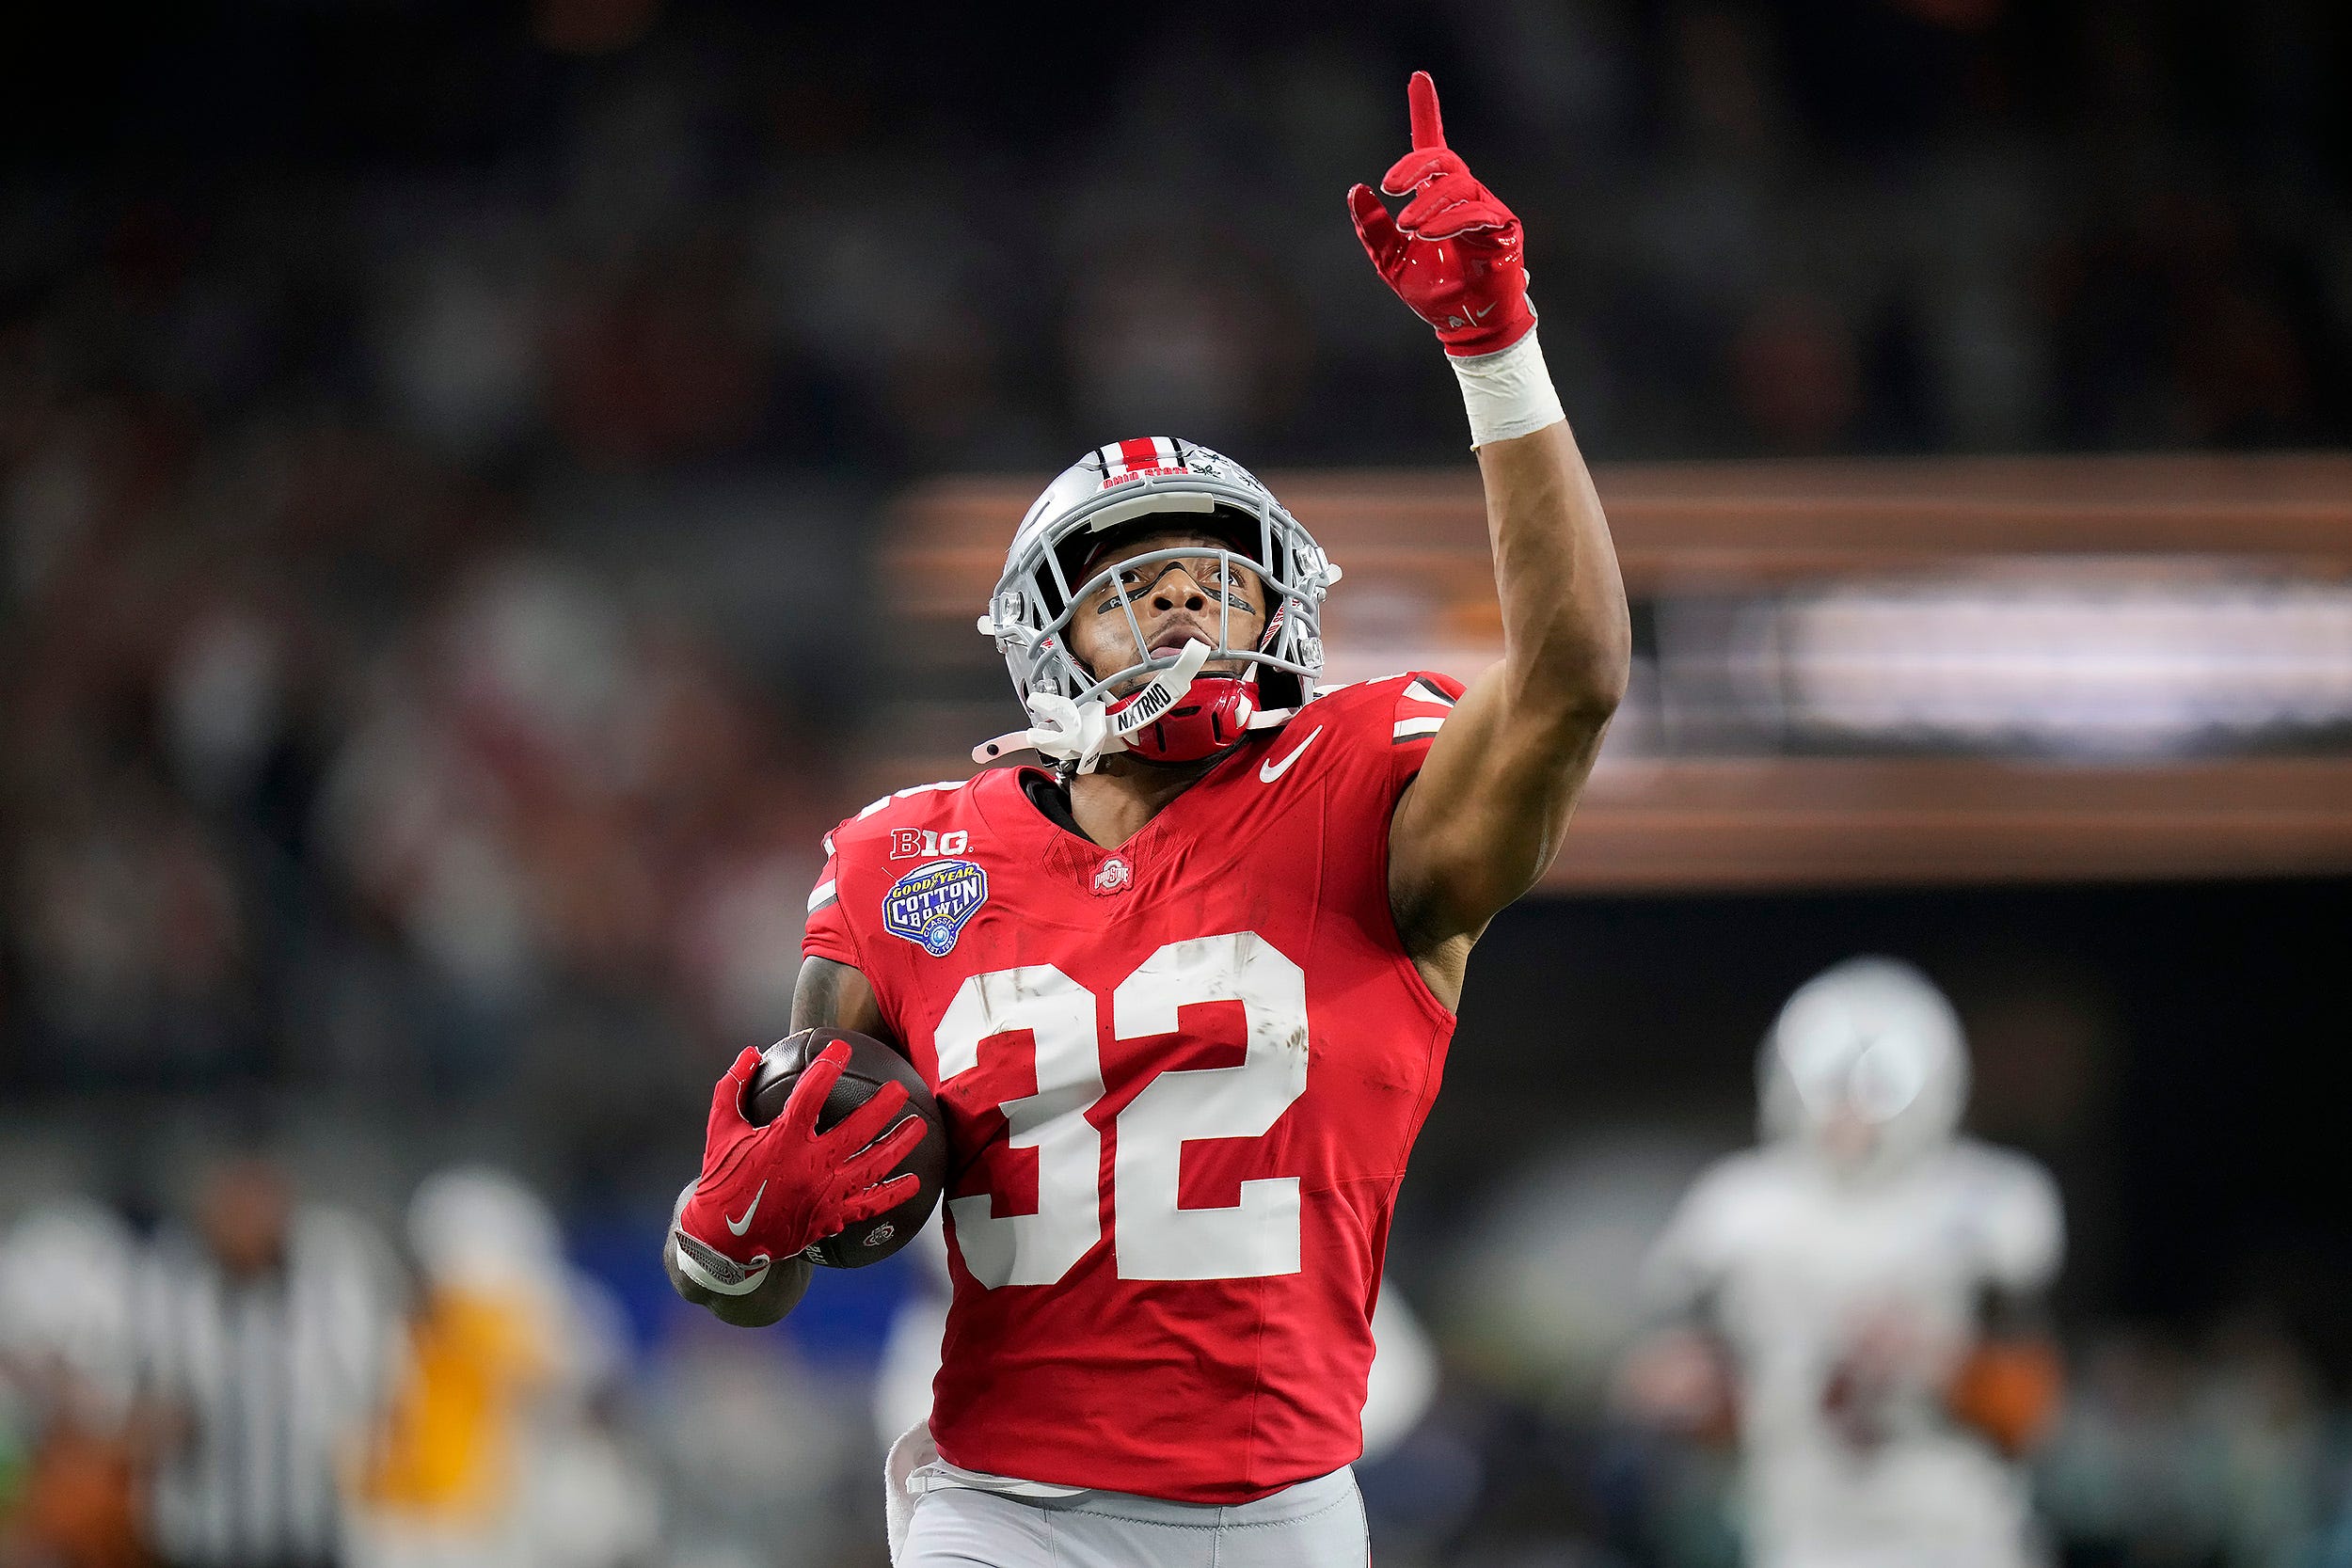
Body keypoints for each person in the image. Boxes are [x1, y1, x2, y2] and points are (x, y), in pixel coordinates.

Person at [663, 71, 1630, 1568]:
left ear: (1286, 607)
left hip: (1281, 1505)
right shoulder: (903, 860)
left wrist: (1494, 349)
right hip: (1002, 1510)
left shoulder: (1365, 783)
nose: (1185, 593)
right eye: (1134, 578)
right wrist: (729, 1230)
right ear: (1048, 633)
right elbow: (777, 1247)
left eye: (1220, 570)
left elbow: (1571, 677)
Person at [1623, 958, 2067, 1568]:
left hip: (1955, 1533)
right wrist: (1687, 1392)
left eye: (1878, 1083)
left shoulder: (1986, 1204)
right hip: (1799, 1531)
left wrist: (1940, 1367)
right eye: (1830, 1082)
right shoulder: (1740, 1207)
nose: (1849, 1108)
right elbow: (1679, 1385)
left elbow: (2029, 1410)